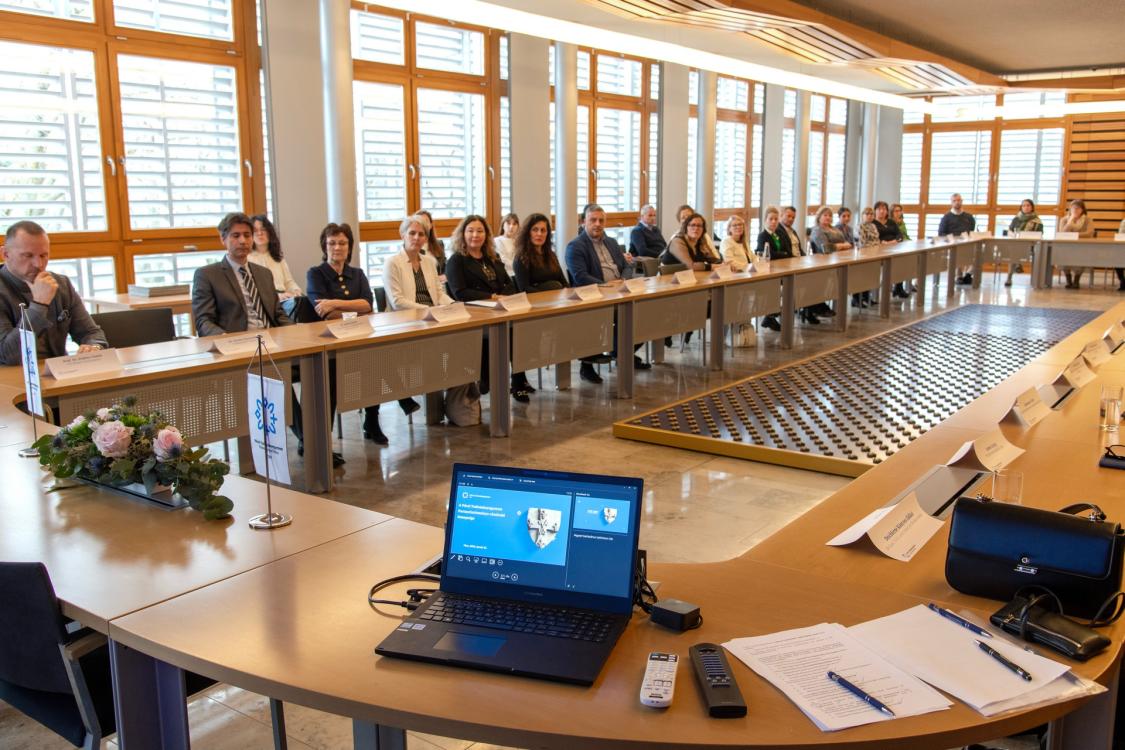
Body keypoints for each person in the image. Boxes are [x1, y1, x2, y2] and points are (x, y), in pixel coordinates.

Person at [445, 215, 534, 402]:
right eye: (470, 231)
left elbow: (508, 283)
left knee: (519, 331)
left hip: (500, 310)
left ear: (486, 235)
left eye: (480, 231)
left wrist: (503, 297)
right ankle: (492, 379)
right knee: (506, 332)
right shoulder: (456, 260)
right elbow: (460, 292)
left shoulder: (492, 257)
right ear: (462, 234)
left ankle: (517, 380)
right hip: (475, 315)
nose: (475, 235)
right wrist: (492, 297)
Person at [0, 220, 107, 366]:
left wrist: (93, 347)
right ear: (5, 254)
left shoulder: (61, 284)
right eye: (28, 255)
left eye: (43, 255)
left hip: (57, 372)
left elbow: (91, 333)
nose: (38, 264)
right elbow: (8, 356)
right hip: (11, 376)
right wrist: (39, 305)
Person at [564, 204, 648, 382]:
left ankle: (620, 352)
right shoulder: (575, 246)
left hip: (620, 293)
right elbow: (580, 276)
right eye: (593, 220)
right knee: (622, 315)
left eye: (601, 220)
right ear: (583, 222)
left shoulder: (611, 242)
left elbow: (627, 266)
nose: (597, 224)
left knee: (646, 313)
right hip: (594, 297)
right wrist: (607, 286)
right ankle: (591, 364)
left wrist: (623, 280)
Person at [192, 212, 293, 337]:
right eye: (236, 236)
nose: (243, 241)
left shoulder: (264, 273)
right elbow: (203, 321)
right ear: (223, 239)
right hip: (237, 341)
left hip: (271, 338)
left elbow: (278, 314)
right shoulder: (207, 275)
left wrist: (294, 331)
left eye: (247, 235)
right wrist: (224, 338)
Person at [755, 206, 793, 331]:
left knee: (793, 284)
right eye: (771, 219)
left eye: (776, 219)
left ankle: (772, 315)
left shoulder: (780, 233)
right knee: (779, 288)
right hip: (770, 271)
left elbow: (789, 251)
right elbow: (768, 254)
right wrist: (783, 254)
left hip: (783, 268)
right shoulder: (762, 236)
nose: (773, 222)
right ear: (765, 220)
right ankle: (771, 315)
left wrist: (782, 254)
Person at [249, 214, 302, 301]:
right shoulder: (247, 259)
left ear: (270, 232)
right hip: (263, 301)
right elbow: (252, 289)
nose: (259, 233)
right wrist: (276, 296)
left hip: (284, 298)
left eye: (263, 229)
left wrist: (296, 291)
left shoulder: (278, 257)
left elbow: (289, 282)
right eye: (255, 231)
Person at [512, 213, 567, 293]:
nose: (539, 234)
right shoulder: (521, 258)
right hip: (537, 299)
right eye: (535, 230)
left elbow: (564, 282)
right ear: (527, 232)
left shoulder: (551, 255)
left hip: (558, 297)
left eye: (543, 230)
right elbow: (525, 289)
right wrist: (551, 292)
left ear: (547, 234)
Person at [937, 194, 976, 284]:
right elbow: (941, 233)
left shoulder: (969, 217)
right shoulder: (946, 218)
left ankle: (968, 274)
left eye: (959, 200)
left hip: (967, 243)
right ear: (951, 203)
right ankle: (958, 276)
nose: (957, 202)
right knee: (957, 252)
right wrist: (953, 239)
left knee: (980, 252)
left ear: (962, 201)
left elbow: (971, 231)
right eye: (954, 201)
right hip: (952, 244)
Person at [1004, 200, 1043, 287]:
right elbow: (1010, 230)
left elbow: (1040, 234)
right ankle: (1009, 278)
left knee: (1014, 253)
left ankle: (1018, 264)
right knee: (1014, 251)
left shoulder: (1037, 221)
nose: (1026, 207)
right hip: (1016, 244)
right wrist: (1013, 235)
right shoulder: (1016, 219)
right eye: (1023, 205)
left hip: (1031, 245)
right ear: (1021, 207)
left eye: (1028, 205)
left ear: (1032, 207)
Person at [1059, 199, 1096, 289]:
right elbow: (1062, 233)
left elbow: (1089, 233)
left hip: (1082, 246)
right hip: (1067, 246)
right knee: (1062, 256)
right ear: (1070, 209)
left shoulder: (1088, 220)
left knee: (1080, 256)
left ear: (1082, 210)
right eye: (1073, 208)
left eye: (1078, 208)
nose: (1075, 210)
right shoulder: (1064, 219)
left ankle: (1076, 279)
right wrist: (1070, 221)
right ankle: (1068, 280)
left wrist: (1073, 235)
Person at [852, 207, 880, 308]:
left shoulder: (873, 226)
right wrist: (874, 246)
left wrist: (875, 246)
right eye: (867, 214)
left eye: (871, 214)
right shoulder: (860, 226)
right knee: (861, 276)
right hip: (862, 254)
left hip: (874, 253)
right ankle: (857, 298)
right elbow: (862, 243)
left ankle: (867, 296)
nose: (870, 216)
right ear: (862, 215)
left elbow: (877, 240)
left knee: (870, 276)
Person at [416, 209, 446, 274]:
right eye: (420, 221)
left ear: (431, 225)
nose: (424, 224)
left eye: (426, 221)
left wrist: (445, 275)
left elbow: (444, 267)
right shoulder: (411, 246)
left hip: (438, 279)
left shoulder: (439, 244)